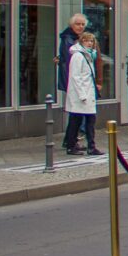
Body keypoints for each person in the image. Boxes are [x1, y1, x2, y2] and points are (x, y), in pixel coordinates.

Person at [65, 32, 103, 156]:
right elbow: (75, 77)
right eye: (86, 41)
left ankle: (90, 146)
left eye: (91, 41)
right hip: (81, 95)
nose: (89, 43)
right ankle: (72, 146)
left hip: (87, 93)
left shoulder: (88, 55)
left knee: (88, 120)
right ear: (81, 42)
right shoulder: (78, 56)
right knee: (76, 121)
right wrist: (82, 95)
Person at [56, 14, 88, 153]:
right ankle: (71, 142)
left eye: (82, 24)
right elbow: (71, 61)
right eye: (77, 24)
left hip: (74, 80)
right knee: (77, 113)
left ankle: (70, 140)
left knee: (76, 113)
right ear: (71, 25)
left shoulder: (75, 38)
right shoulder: (69, 39)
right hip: (73, 80)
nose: (80, 27)